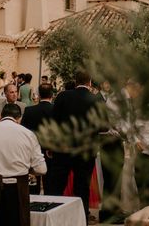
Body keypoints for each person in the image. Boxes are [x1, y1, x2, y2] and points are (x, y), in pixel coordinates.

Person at [47, 70, 102, 220]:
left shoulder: (63, 96)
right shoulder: (96, 99)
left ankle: (53, 217)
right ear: (89, 82)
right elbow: (104, 126)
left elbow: (53, 123)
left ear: (75, 81)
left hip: (63, 148)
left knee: (57, 185)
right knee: (82, 187)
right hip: (86, 149)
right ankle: (81, 218)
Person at [21, 82, 54, 193]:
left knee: (33, 183)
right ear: (52, 95)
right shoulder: (56, 110)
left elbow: (23, 131)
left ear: (39, 95)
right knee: (50, 182)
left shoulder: (29, 110)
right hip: (51, 150)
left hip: (32, 150)